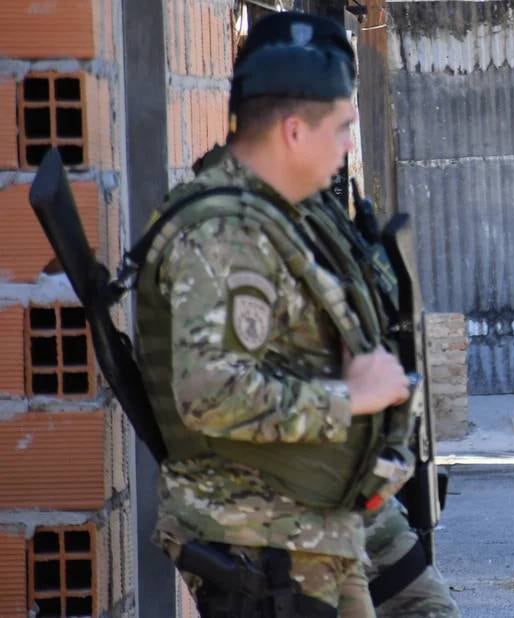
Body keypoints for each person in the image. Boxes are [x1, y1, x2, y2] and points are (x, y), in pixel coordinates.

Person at [133, 11, 425, 617]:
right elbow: (208, 391)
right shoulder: (224, 231)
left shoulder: (274, 214)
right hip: (263, 541)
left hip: (311, 522)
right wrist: (352, 398)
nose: (348, 147)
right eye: (341, 128)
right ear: (294, 132)